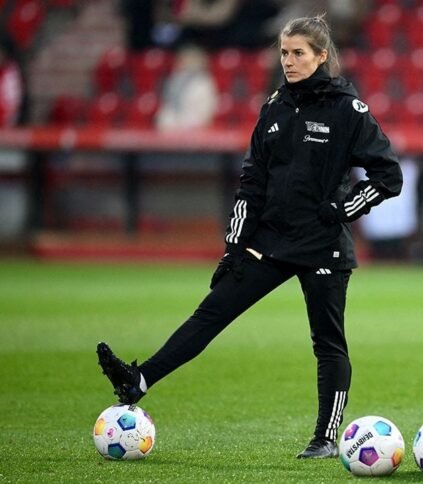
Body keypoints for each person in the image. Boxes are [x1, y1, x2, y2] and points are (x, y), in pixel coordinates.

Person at [97, 14, 403, 459]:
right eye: (284, 52)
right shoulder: (275, 107)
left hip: (322, 245)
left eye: (299, 53)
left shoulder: (347, 110)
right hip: (271, 241)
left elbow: (387, 175)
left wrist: (341, 210)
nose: (289, 61)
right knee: (211, 313)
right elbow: (251, 182)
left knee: (328, 343)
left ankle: (325, 439)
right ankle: (137, 381)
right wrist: (234, 246)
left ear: (321, 56)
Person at [155, 43, 217, 131]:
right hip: (174, 122)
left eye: (190, 59)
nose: (186, 62)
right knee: (164, 118)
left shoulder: (204, 83)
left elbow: (206, 112)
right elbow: (168, 103)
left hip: (195, 124)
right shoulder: (175, 79)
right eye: (183, 59)